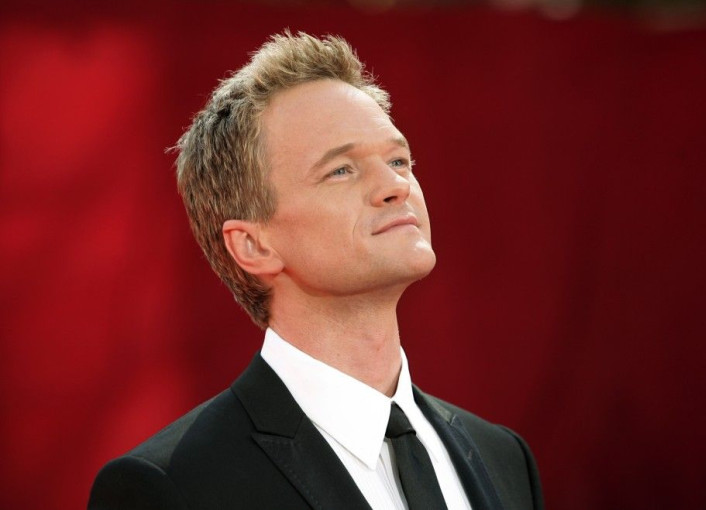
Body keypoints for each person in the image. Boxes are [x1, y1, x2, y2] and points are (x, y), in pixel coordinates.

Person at [88, 31, 544, 510]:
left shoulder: (504, 459)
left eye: (399, 159)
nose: (395, 185)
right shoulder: (171, 486)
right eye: (341, 170)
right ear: (253, 245)